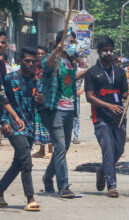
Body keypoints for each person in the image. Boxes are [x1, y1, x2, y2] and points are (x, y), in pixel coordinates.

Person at [85, 37, 128, 198]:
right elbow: (89, 97)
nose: (109, 53)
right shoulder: (92, 73)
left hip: (119, 117)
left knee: (119, 149)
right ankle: (112, 186)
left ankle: (102, 171)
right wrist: (108, 106)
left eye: (111, 50)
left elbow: (123, 93)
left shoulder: (120, 72)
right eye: (106, 50)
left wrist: (128, 94)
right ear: (99, 52)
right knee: (108, 151)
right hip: (101, 118)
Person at [0, 47, 40, 211]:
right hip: (13, 125)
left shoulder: (36, 81)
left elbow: (40, 104)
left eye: (33, 61)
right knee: (26, 160)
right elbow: (3, 101)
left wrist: (42, 100)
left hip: (30, 126)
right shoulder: (9, 79)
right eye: (27, 61)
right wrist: (4, 121)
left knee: (18, 163)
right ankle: (30, 198)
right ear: (20, 61)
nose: (30, 64)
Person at [40, 29, 78, 198]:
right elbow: (44, 66)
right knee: (60, 147)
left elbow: (72, 81)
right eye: (70, 41)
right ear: (61, 42)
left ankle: (48, 176)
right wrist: (56, 50)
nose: (72, 44)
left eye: (73, 41)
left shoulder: (70, 60)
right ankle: (64, 186)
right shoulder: (53, 59)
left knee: (64, 147)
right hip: (55, 110)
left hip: (69, 110)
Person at [32, 45, 54, 159]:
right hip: (36, 98)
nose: (40, 55)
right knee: (39, 124)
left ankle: (50, 150)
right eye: (38, 53)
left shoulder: (48, 67)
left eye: (42, 54)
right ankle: (41, 150)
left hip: (47, 99)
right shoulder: (34, 67)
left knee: (48, 125)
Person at [73, 57, 88, 144]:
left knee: (76, 117)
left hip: (76, 97)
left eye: (74, 59)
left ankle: (75, 136)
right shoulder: (66, 69)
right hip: (66, 97)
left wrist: (81, 91)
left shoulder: (81, 70)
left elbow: (89, 80)